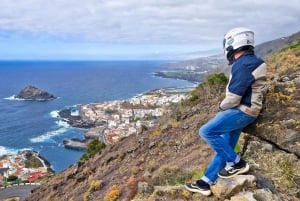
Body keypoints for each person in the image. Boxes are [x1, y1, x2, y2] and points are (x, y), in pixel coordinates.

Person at [185, 27, 267, 196]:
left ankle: (237, 163)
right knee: (226, 145)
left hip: (243, 110)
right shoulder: (251, 61)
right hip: (247, 110)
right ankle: (206, 182)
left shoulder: (244, 64)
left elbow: (234, 97)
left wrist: (221, 108)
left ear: (233, 43)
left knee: (206, 131)